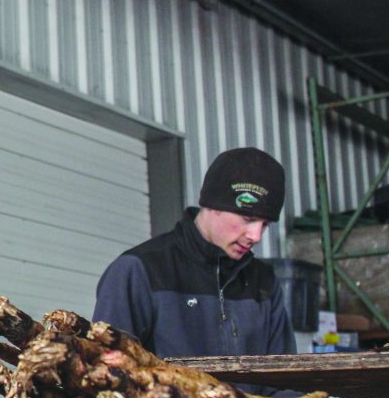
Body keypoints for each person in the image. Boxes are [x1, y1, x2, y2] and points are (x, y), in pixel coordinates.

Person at [93, 147, 294, 360]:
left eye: (265, 225)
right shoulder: (138, 270)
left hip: (250, 397)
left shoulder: (264, 283)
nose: (256, 236)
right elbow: (110, 371)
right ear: (213, 204)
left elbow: (285, 381)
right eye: (248, 219)